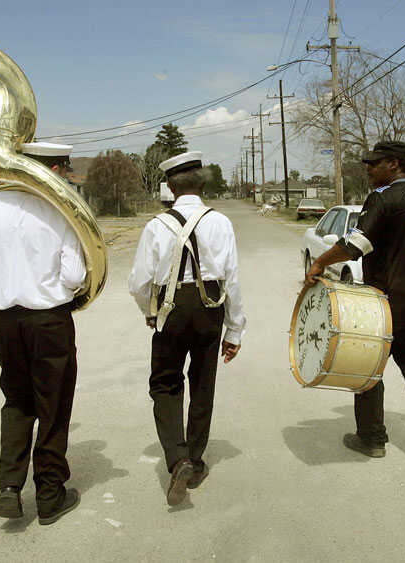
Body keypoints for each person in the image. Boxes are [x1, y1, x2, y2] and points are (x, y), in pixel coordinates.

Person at [0, 141, 84, 525]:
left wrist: (3, 281)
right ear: (56, 170)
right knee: (53, 405)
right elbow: (75, 276)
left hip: (1, 322)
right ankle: (49, 495)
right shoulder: (60, 208)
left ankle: (9, 488)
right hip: (48, 321)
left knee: (17, 400)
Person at [305, 140, 405, 466]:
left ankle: (371, 439)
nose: (369, 169)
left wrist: (319, 262)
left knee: (367, 368)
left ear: (394, 165)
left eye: (374, 163)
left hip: (383, 303)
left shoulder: (384, 197)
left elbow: (356, 244)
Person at [127, 151, 247, 505]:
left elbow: (138, 283)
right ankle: (194, 462)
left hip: (171, 307)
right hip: (210, 307)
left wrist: (149, 311)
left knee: (165, 383)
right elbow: (233, 281)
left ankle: (176, 457)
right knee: (203, 382)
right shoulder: (221, 222)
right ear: (204, 184)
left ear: (169, 187)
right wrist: (235, 330)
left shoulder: (156, 226)